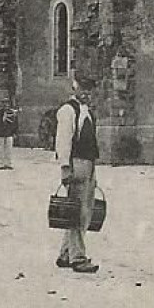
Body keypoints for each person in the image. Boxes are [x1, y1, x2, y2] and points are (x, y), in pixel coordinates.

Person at [53, 77, 100, 274]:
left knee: (78, 209)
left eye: (90, 90)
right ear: (75, 88)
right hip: (76, 163)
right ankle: (78, 258)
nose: (87, 93)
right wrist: (65, 167)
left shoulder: (86, 111)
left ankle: (65, 254)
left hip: (88, 164)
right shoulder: (68, 111)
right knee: (79, 213)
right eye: (83, 89)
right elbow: (63, 140)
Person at [0, 100, 18, 169]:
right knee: (1, 149)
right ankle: (2, 164)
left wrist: (14, 132)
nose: (6, 105)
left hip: (9, 133)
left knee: (9, 149)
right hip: (0, 133)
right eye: (4, 104)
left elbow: (15, 123)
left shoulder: (12, 112)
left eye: (7, 104)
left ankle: (8, 163)